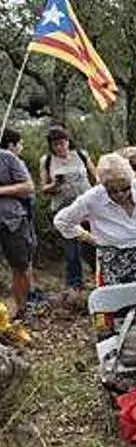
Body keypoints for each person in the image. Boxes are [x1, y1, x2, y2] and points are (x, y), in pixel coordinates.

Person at [53, 153, 136, 286]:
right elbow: (62, 221)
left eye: (125, 188)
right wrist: (87, 237)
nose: (120, 194)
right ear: (104, 186)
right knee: (119, 297)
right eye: (112, 191)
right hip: (115, 260)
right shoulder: (92, 198)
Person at [39, 125, 96, 289]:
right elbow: (43, 188)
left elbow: (95, 177)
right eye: (55, 144)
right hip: (64, 208)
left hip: (86, 205)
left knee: (92, 243)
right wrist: (55, 184)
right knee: (72, 248)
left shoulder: (81, 155)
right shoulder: (47, 161)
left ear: (68, 141)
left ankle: (100, 275)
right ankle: (75, 284)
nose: (60, 147)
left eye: (62, 143)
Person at [0, 129, 36, 318]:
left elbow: (28, 186)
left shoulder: (7, 158)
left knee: (20, 266)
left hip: (11, 220)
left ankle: (22, 311)